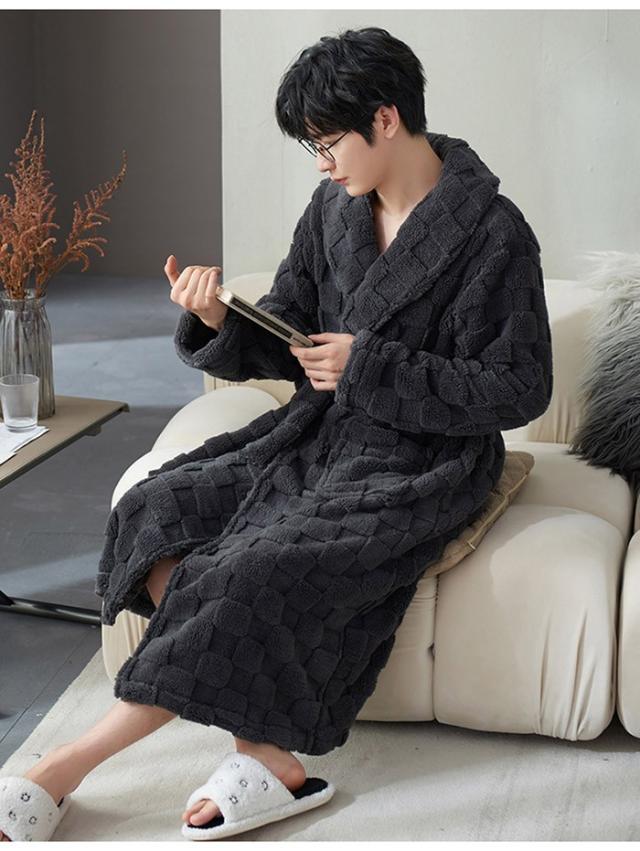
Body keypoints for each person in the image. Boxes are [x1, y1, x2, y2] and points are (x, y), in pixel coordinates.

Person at [0, 26, 552, 841]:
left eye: (328, 143)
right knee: (155, 508)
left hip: (422, 458)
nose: (321, 164)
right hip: (319, 432)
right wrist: (218, 318)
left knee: (251, 570)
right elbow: (290, 334)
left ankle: (63, 765)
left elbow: (518, 388)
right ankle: (267, 756)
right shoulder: (333, 210)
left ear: (387, 118)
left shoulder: (494, 233)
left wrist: (370, 366)